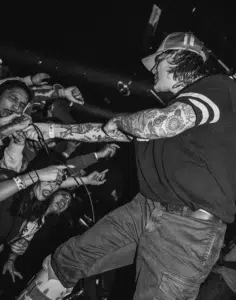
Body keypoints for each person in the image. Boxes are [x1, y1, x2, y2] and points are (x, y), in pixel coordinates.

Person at [19, 32, 236, 300]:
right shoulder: (165, 113)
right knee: (67, 260)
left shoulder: (217, 87)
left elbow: (165, 122)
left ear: (178, 57)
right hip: (145, 208)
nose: (153, 70)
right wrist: (50, 129)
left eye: (158, 62)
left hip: (188, 230)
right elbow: (100, 132)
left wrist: (122, 121)